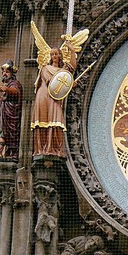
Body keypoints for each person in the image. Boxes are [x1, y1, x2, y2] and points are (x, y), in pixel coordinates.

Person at [30, 20, 89, 157]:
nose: (54, 56)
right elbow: (52, 82)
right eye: (52, 54)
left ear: (60, 55)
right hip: (44, 95)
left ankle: (54, 148)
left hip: (55, 98)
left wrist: (72, 49)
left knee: (56, 121)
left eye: (56, 54)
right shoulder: (45, 68)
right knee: (43, 121)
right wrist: (68, 84)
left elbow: (72, 67)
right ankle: (41, 149)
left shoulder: (63, 69)